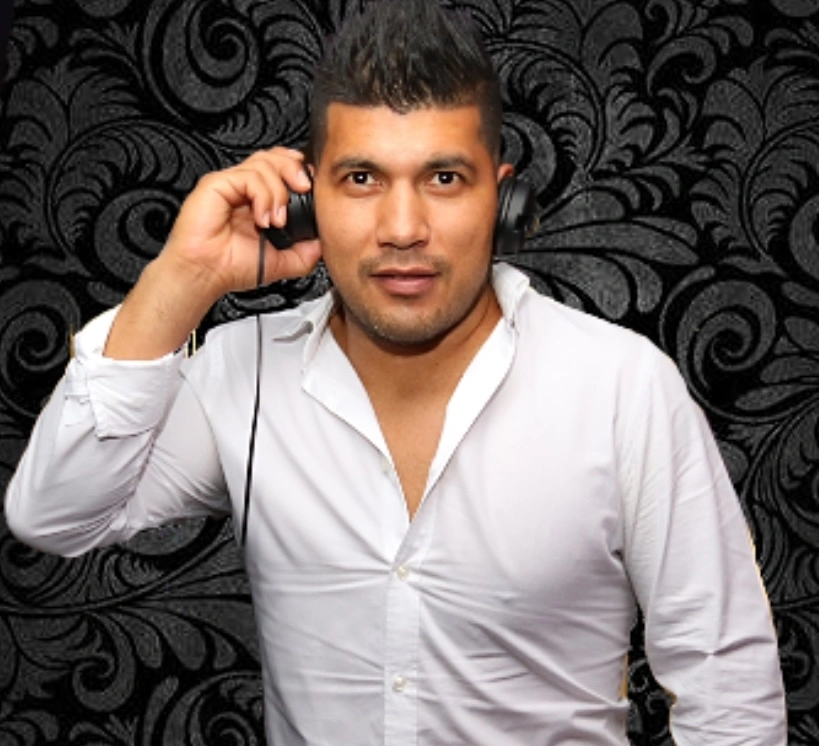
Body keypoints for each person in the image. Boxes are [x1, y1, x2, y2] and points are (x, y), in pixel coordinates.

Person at [4, 0, 786, 743]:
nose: (403, 229)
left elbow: (726, 684)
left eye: (443, 179)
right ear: (307, 199)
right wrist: (183, 278)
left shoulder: (621, 386)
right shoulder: (241, 373)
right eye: (361, 179)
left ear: (502, 201)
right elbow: (55, 516)